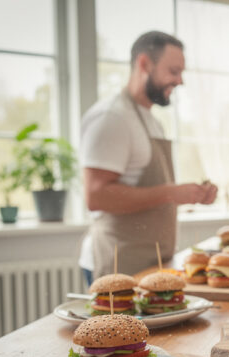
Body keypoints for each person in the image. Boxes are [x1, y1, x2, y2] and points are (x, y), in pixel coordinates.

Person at [79, 31, 218, 283]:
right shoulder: (112, 118)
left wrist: (190, 193)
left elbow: (149, 187)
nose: (180, 81)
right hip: (118, 267)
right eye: (173, 71)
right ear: (144, 64)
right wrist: (171, 193)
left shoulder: (151, 121)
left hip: (151, 266)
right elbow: (96, 196)